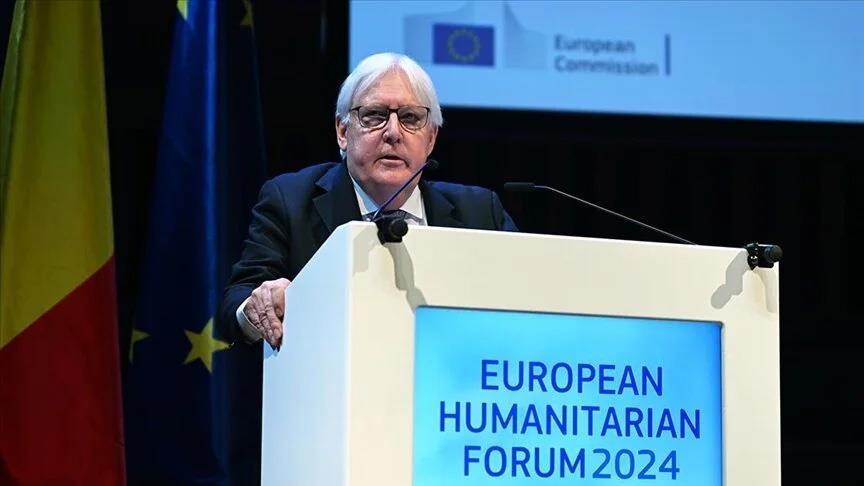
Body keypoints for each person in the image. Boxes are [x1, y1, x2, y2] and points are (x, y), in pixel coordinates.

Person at [219, 52, 517, 347]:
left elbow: (526, 290)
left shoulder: (479, 212)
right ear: (342, 131)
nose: (393, 133)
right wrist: (258, 305)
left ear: (431, 139)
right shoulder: (291, 200)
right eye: (374, 115)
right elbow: (236, 305)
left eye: (410, 118)